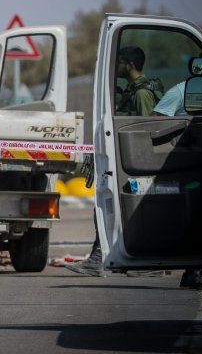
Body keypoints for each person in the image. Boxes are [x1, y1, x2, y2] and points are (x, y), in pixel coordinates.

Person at [67, 46, 163, 279]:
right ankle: (101, 259)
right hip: (125, 161)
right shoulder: (133, 90)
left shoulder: (141, 94)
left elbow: (145, 131)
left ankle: (145, 263)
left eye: (119, 62)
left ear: (130, 64)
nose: (116, 66)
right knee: (108, 207)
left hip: (137, 164)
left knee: (131, 210)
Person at [151, 67, 202, 291]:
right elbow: (155, 122)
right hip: (190, 165)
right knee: (197, 214)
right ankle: (192, 272)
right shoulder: (180, 92)